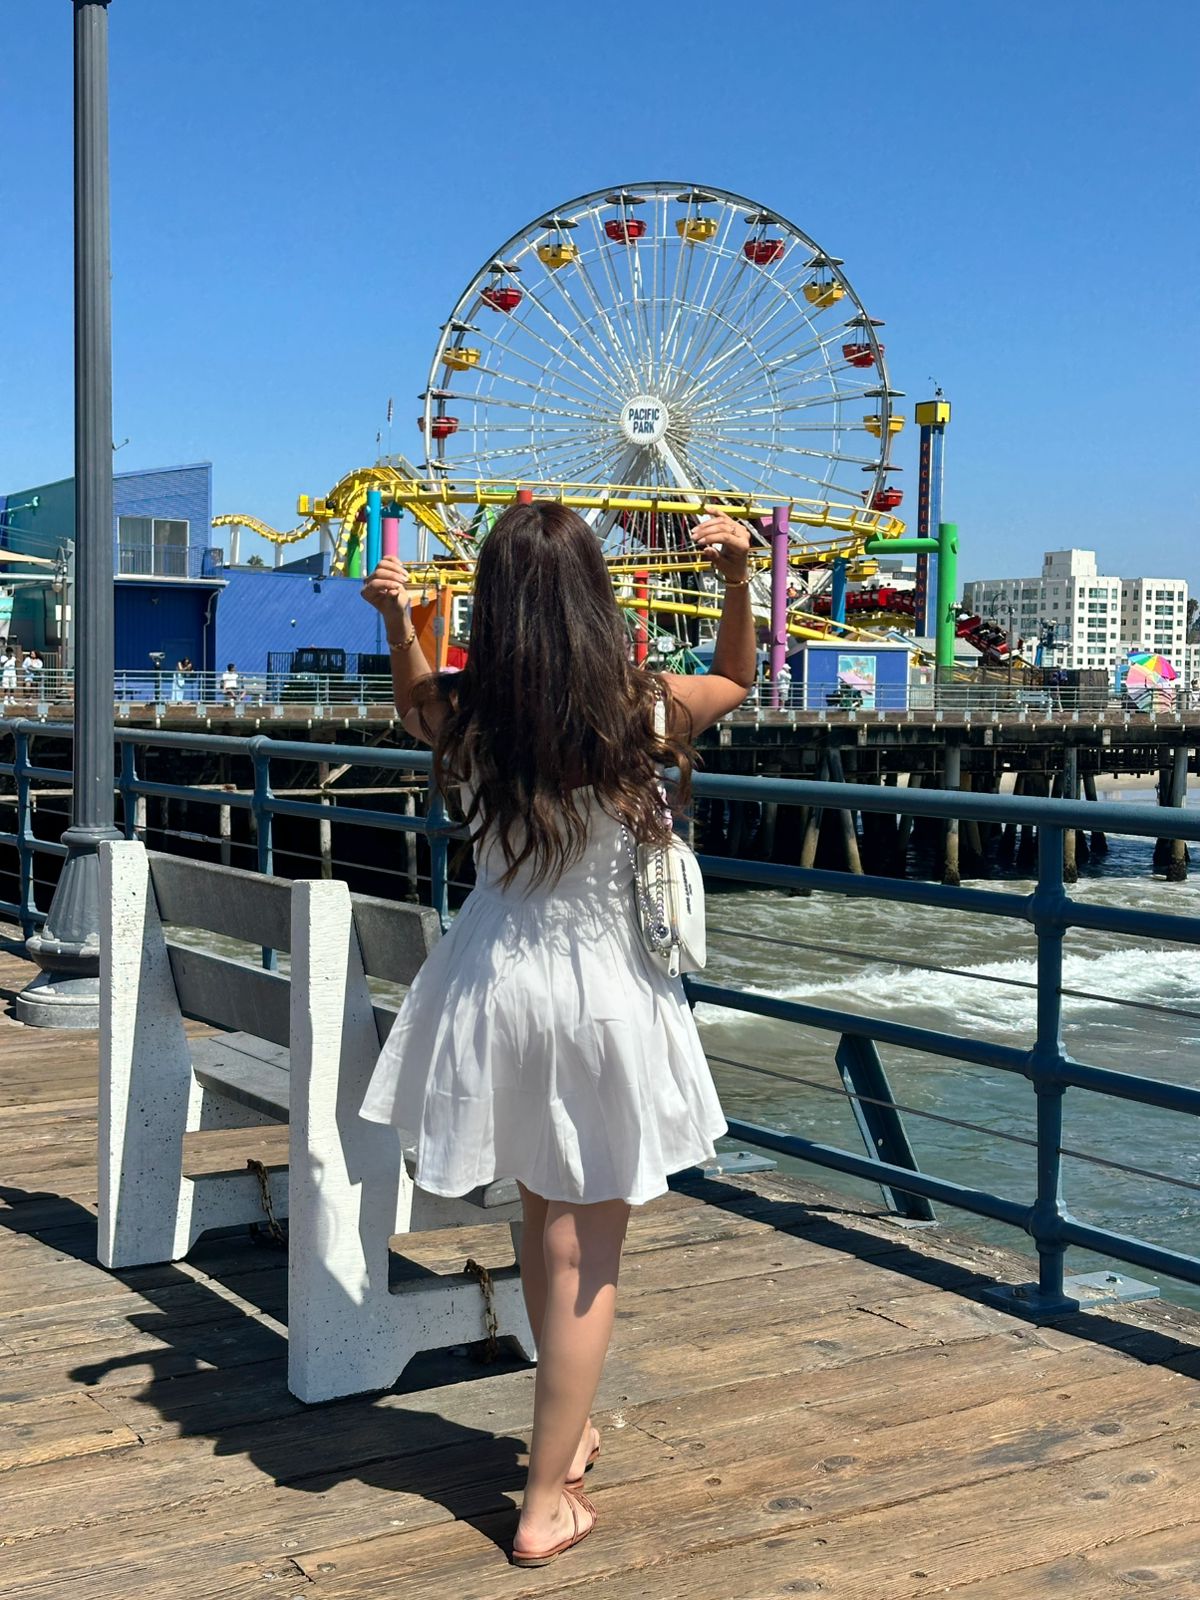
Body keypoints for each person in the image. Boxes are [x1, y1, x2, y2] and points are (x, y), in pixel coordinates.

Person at [357, 502, 755, 1567]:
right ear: (596, 600)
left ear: (494, 605)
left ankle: (566, 1428)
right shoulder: (645, 710)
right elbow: (736, 679)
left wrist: (402, 622)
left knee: (543, 1213)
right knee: (590, 1242)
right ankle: (543, 1500)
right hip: (597, 993)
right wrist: (733, 580)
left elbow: (409, 696)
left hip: (492, 980)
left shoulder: (467, 709)